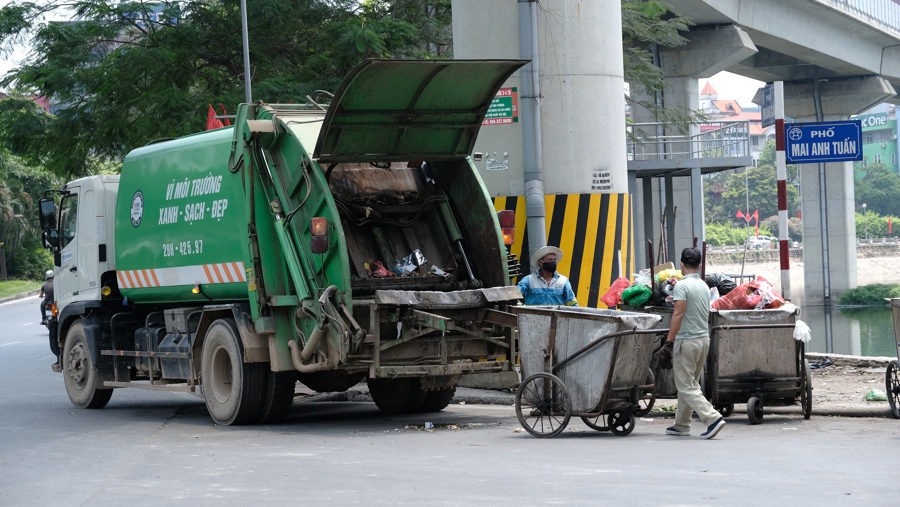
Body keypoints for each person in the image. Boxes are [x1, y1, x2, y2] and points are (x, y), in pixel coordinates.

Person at [659, 247, 726, 439]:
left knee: (686, 386)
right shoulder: (704, 286)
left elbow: (678, 314)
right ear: (699, 265)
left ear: (681, 264)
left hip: (686, 341)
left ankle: (712, 418)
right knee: (690, 383)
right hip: (703, 340)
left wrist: (669, 342)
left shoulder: (682, 286)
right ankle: (681, 425)